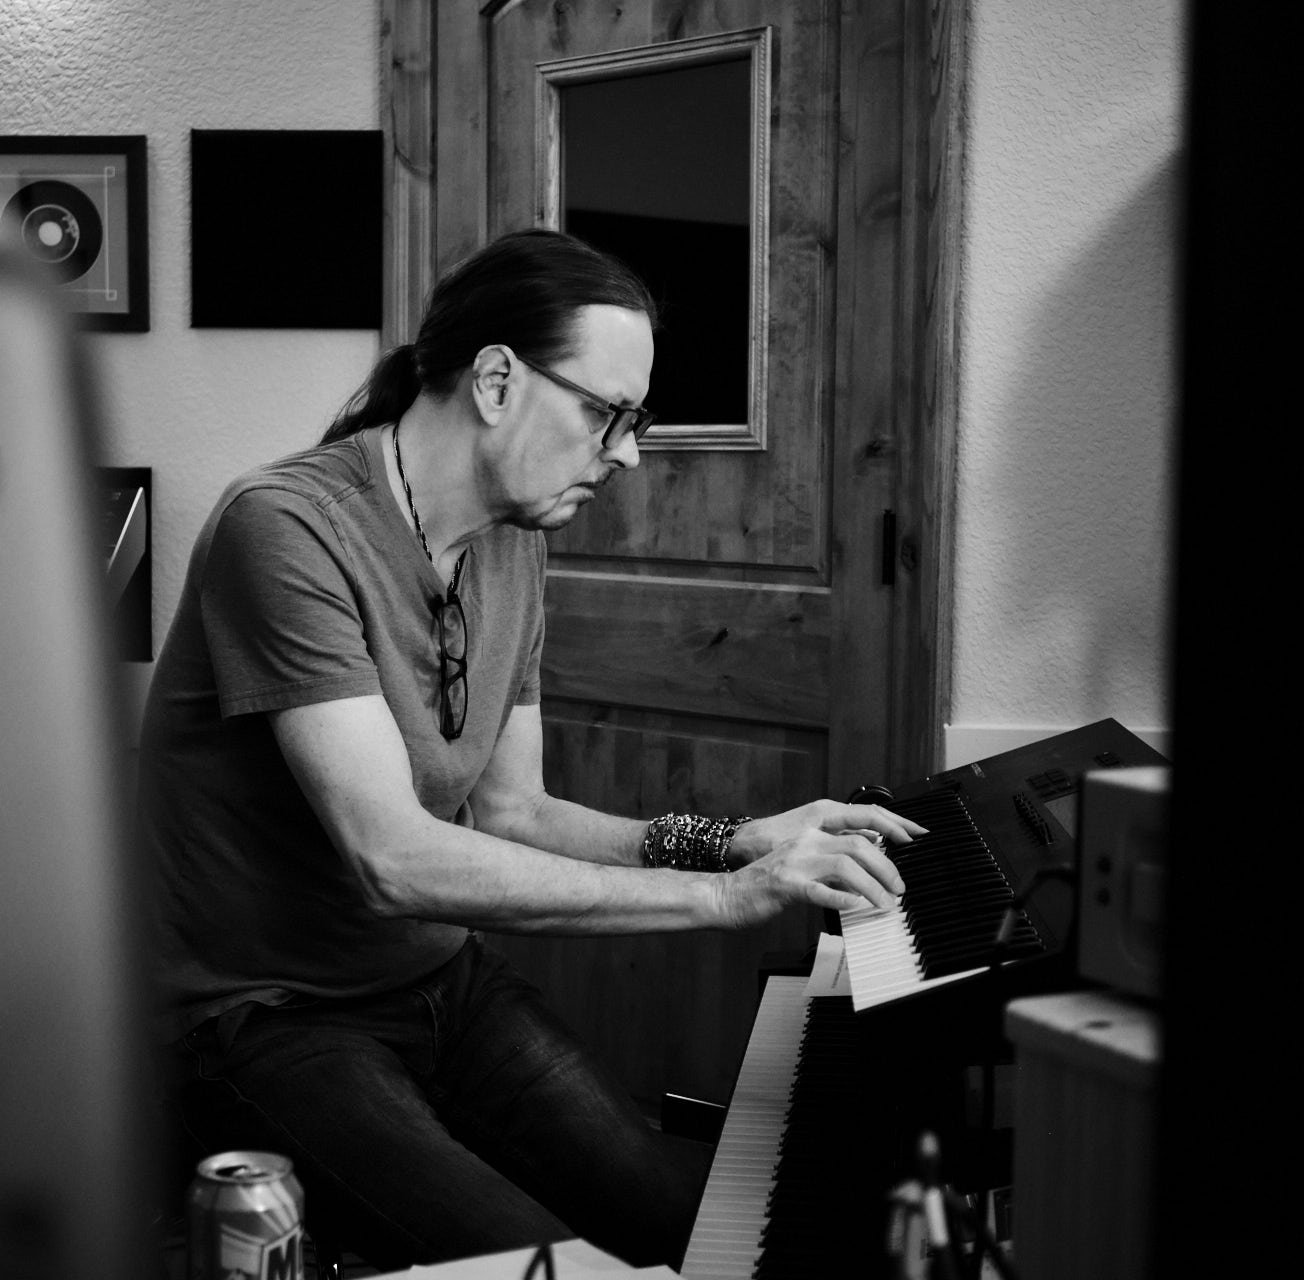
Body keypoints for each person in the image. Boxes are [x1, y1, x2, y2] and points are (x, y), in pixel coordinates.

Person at [138, 228, 920, 1269]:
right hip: (260, 1017)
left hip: (438, 980)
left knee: (687, 1231)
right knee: (538, 1265)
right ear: (497, 380)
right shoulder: (283, 527)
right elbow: (393, 858)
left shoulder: (512, 544)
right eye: (607, 414)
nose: (629, 454)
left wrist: (736, 840)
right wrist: (729, 897)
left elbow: (516, 811)